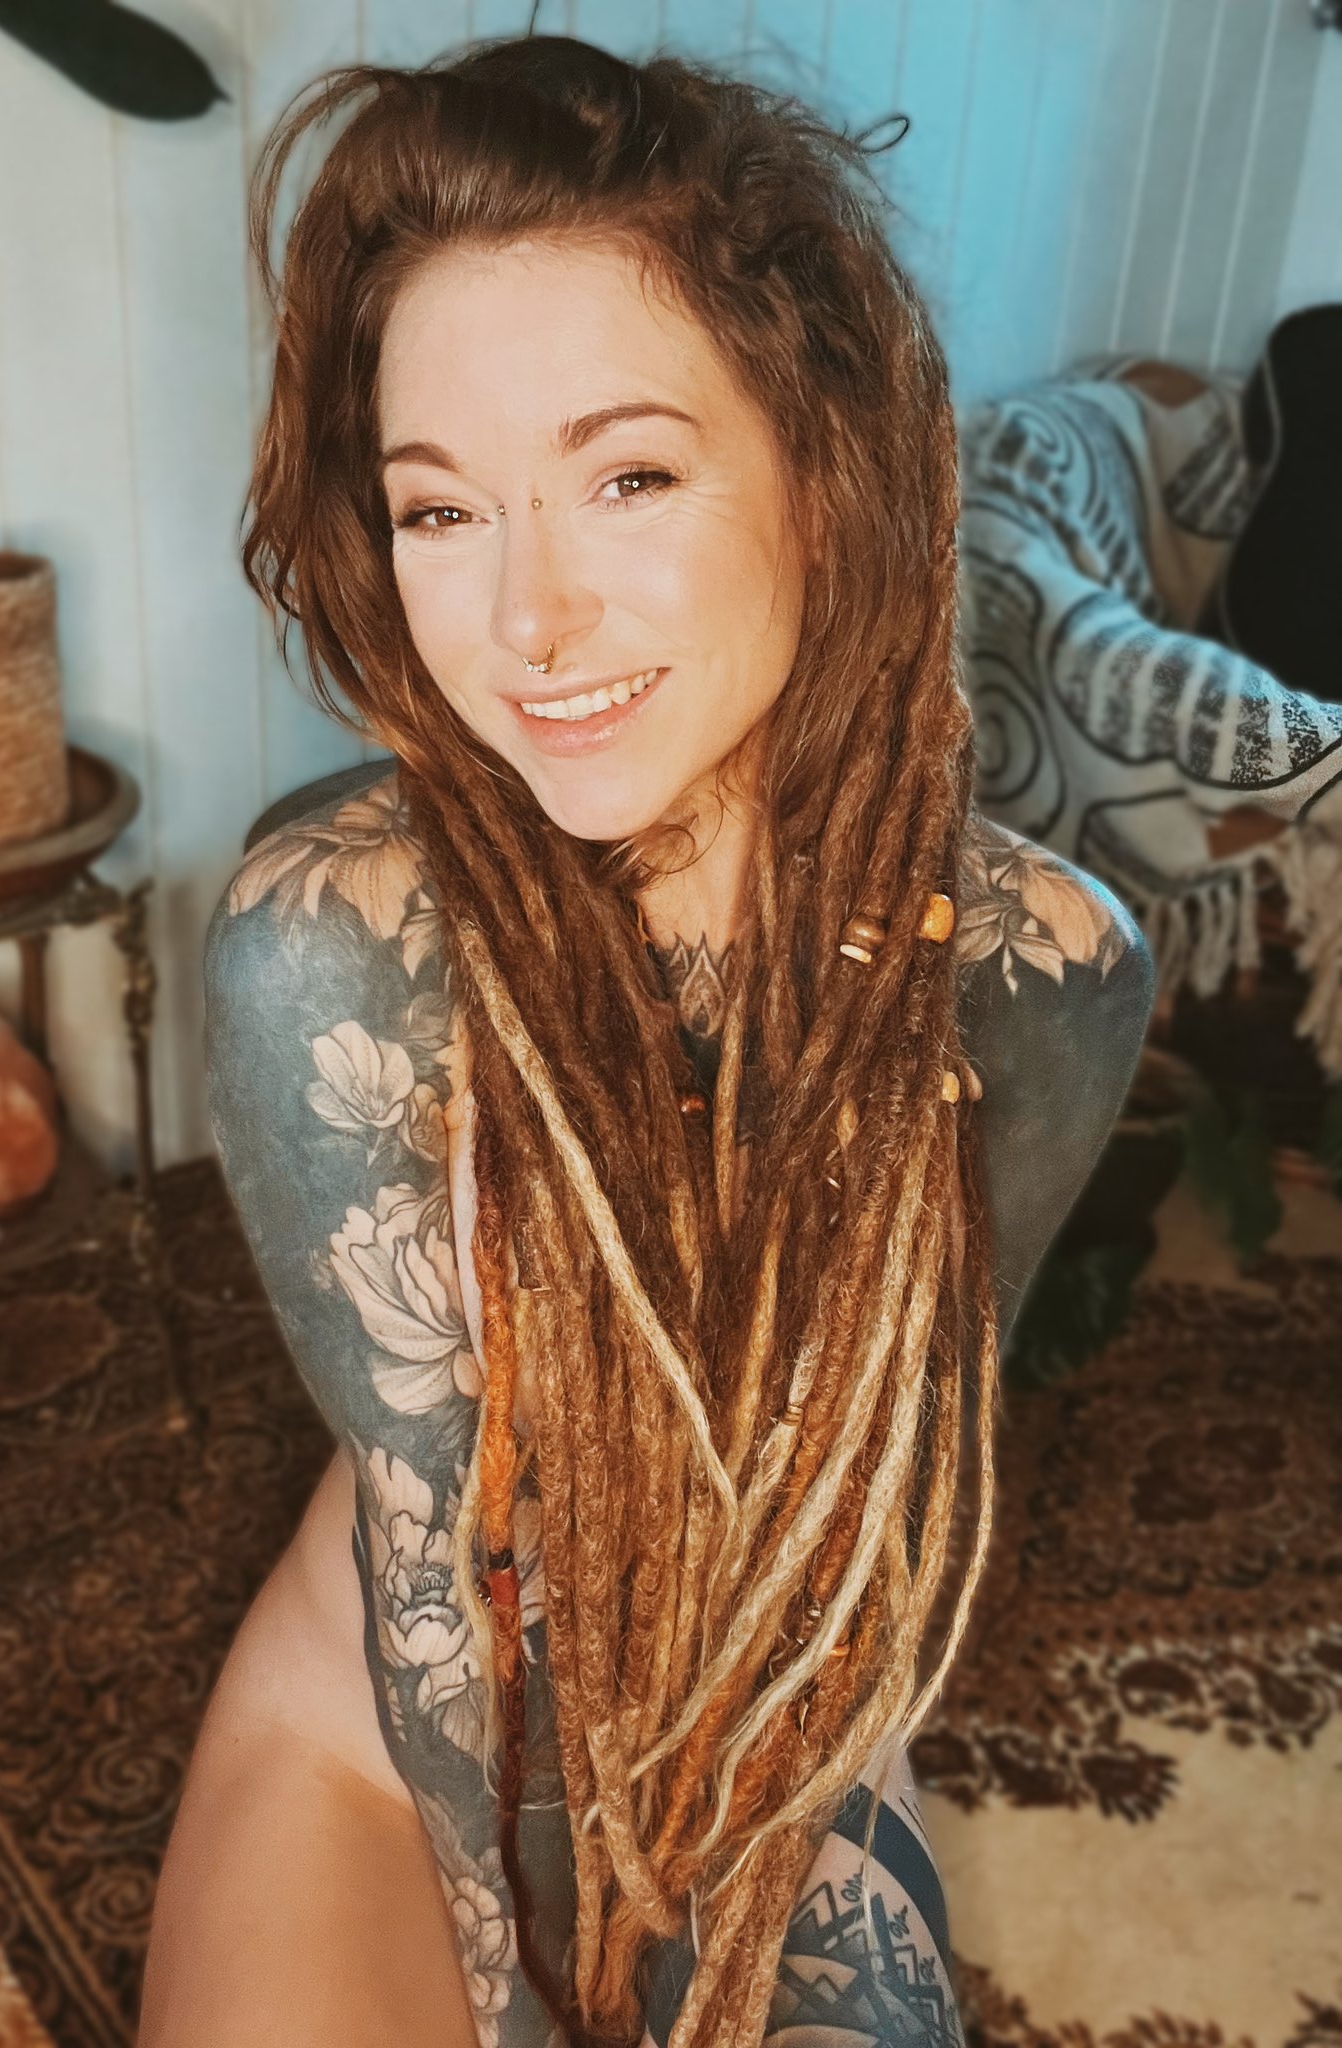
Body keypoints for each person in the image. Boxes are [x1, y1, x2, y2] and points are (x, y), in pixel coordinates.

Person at [139, 34, 1155, 2048]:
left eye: (628, 477)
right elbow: (442, 1618)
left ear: (823, 465)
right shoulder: (334, 948)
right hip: (396, 1744)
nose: (530, 618)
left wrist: (755, 1874)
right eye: (443, 510)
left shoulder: (1039, 974)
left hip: (778, 1713)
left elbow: (885, 1507)